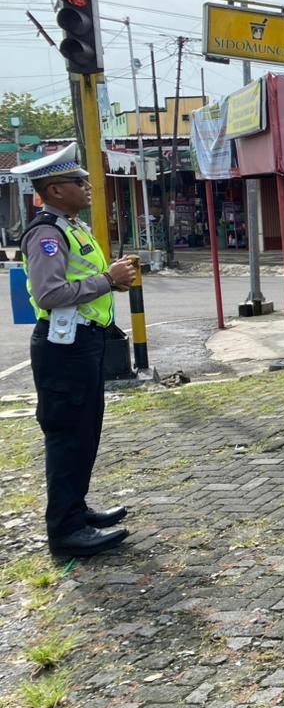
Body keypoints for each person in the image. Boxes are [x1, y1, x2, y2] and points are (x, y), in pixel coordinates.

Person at [18, 143, 136, 557]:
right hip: (62, 348)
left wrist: (114, 281)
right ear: (53, 189)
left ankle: (77, 510)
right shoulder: (47, 233)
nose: (88, 187)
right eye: (77, 181)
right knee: (68, 436)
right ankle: (66, 531)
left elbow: (79, 282)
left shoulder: (71, 225)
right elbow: (51, 293)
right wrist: (107, 279)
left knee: (85, 433)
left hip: (83, 342)